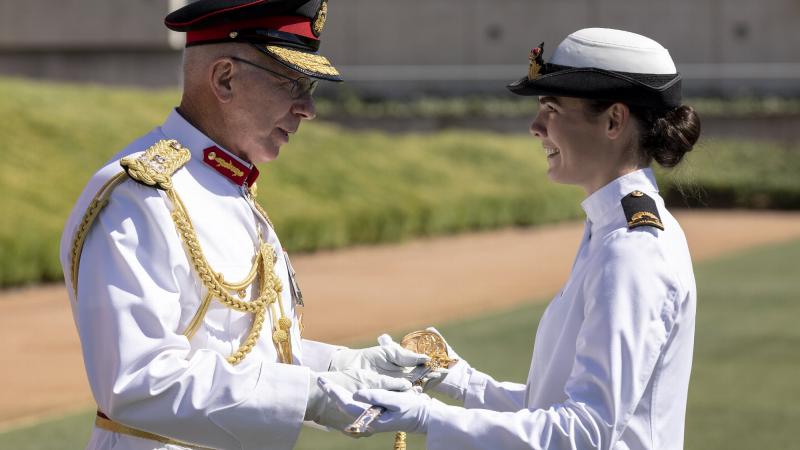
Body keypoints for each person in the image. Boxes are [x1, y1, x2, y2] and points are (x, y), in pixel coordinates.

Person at [59, 1, 430, 449]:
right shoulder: (141, 197)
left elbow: (240, 351)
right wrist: (310, 396)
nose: (308, 108)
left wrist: (338, 367)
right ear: (224, 79)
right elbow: (138, 382)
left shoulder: (225, 185)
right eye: (294, 83)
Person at [323, 28, 701, 450]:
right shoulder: (613, 230)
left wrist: (430, 418)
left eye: (552, 108)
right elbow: (554, 405)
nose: (536, 126)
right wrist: (458, 381)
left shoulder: (633, 249)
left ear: (614, 120)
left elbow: (585, 433)